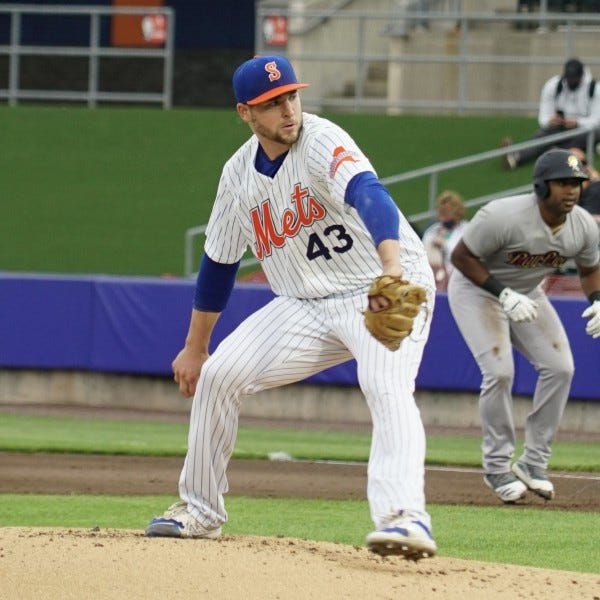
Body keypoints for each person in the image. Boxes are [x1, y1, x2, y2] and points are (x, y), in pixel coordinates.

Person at [145, 54, 438, 560]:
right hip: (305, 303)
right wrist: (196, 346)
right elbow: (218, 262)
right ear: (245, 113)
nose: (288, 110)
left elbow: (370, 193)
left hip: (384, 283)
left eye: (291, 97)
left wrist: (391, 265)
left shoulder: (322, 140)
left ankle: (405, 517)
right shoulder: (237, 177)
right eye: (271, 103)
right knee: (218, 376)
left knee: (385, 383)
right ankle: (199, 510)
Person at [447, 148, 600, 504]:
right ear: (541, 186)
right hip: (477, 291)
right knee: (499, 373)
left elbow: (590, 268)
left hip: (528, 293)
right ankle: (497, 467)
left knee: (561, 368)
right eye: (563, 183)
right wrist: (502, 295)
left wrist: (597, 300)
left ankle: (533, 463)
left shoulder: (581, 226)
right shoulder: (504, 215)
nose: (572, 191)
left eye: (577, 183)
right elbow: (461, 257)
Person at [502, 58, 600, 170]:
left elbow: (597, 120)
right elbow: (543, 117)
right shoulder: (553, 86)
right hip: (560, 128)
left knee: (593, 134)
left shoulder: (595, 89)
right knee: (542, 135)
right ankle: (515, 157)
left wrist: (577, 123)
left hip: (585, 130)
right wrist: (551, 120)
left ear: (581, 77)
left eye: (575, 79)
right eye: (569, 79)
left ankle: (556, 150)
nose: (571, 82)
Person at [421, 190, 469, 287]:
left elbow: (464, 256)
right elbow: (422, 252)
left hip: (459, 280)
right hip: (435, 279)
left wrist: (445, 245)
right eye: (441, 215)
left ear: (456, 213)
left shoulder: (467, 230)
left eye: (446, 215)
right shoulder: (433, 231)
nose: (442, 219)